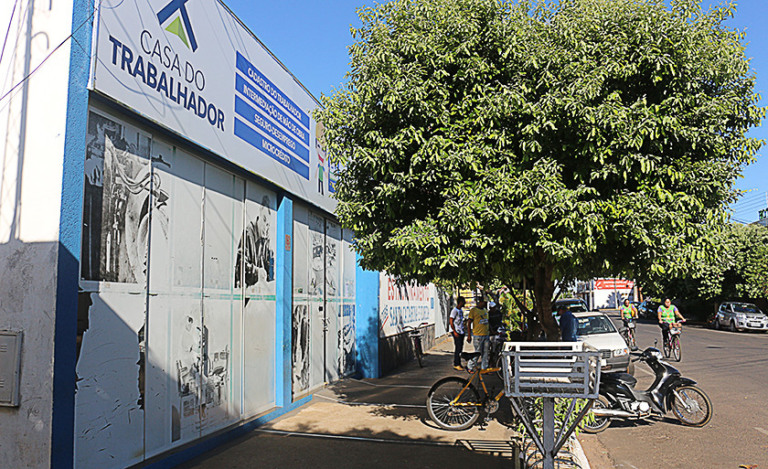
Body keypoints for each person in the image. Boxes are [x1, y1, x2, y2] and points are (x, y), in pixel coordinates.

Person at [466, 295, 490, 370]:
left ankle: (484, 368)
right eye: (484, 302)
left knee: (486, 353)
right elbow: (469, 323)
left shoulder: (485, 310)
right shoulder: (473, 310)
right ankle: (470, 366)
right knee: (477, 352)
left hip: (486, 335)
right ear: (480, 302)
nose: (485, 304)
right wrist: (469, 335)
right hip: (478, 335)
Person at [449, 296, 466, 371]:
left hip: (461, 331)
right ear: (461, 302)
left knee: (460, 348)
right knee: (458, 348)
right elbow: (451, 321)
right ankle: (456, 364)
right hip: (457, 332)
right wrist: (454, 331)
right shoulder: (454, 310)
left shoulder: (460, 311)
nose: (465, 303)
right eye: (464, 302)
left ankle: (459, 363)